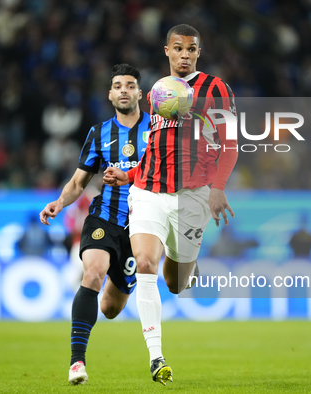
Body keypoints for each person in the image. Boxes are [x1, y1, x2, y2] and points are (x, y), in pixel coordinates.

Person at [103, 24, 238, 385]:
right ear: (166, 51)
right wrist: (128, 177)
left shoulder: (218, 90)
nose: (184, 55)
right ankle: (156, 356)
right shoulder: (158, 93)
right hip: (148, 192)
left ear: (198, 52)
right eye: (177, 48)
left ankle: (175, 267)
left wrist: (219, 188)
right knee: (145, 261)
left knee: (176, 282)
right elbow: (154, 154)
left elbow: (230, 145)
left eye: (190, 49)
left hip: (193, 196)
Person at [39, 64, 150, 385]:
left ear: (140, 93)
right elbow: (78, 182)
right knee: (92, 272)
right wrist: (59, 202)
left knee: (111, 307)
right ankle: (77, 363)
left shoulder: (157, 129)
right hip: (105, 216)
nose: (124, 90)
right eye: (118, 85)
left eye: (130, 85)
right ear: (110, 94)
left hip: (142, 225)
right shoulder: (98, 133)